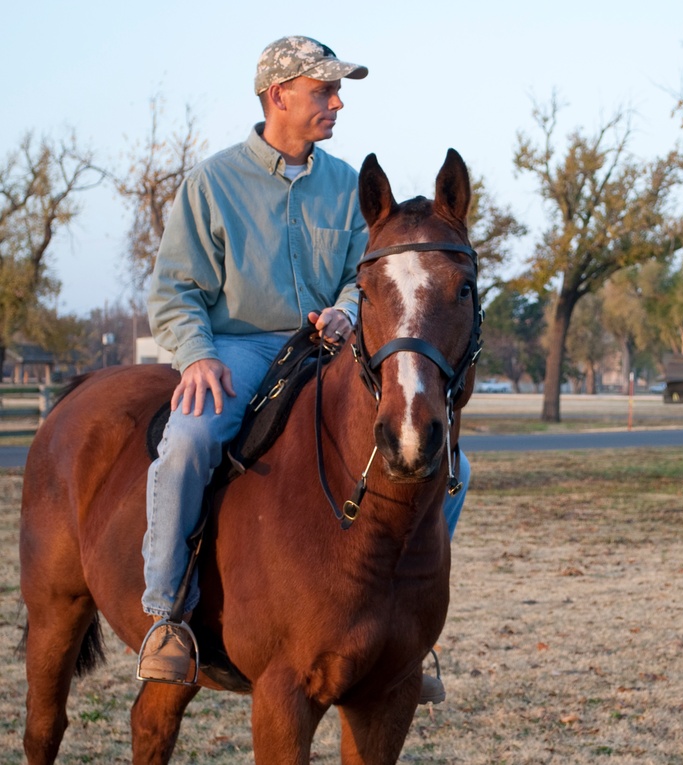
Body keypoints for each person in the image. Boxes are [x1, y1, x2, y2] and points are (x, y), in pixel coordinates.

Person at [138, 36, 470, 703]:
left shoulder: (348, 185)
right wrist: (197, 354)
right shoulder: (213, 182)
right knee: (188, 444)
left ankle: (404, 624)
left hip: (328, 349)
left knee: (451, 465)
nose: (337, 102)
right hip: (235, 347)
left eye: (336, 90)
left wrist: (349, 309)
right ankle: (167, 616)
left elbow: (369, 274)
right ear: (277, 95)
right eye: (324, 90)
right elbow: (174, 288)